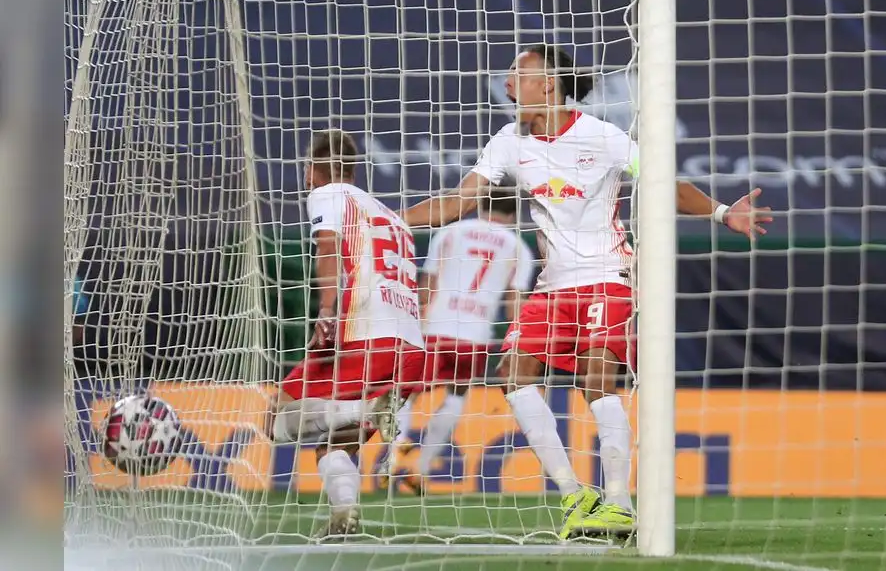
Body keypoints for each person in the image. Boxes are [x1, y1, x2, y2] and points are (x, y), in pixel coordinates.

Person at [402, 44, 772, 539]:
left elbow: (665, 184)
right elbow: (459, 200)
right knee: (512, 374)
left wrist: (723, 212)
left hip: (605, 276)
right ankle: (577, 495)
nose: (508, 83)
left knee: (597, 378)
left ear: (548, 84)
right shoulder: (509, 141)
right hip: (553, 287)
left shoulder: (604, 138)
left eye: (519, 74)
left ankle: (618, 501)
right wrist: (393, 218)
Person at [265, 128, 426, 538]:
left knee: (273, 418)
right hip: (409, 345)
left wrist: (326, 309)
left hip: (364, 333)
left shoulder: (327, 194)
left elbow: (329, 248)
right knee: (335, 445)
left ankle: (365, 410)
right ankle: (345, 516)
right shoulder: (390, 215)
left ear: (310, 170)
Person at [381, 187, 535, 493]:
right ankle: (421, 468)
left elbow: (427, 283)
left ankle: (395, 449)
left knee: (405, 391)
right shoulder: (519, 248)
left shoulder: (452, 232)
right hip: (475, 335)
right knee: (456, 395)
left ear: (480, 207)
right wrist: (517, 341)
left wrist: (414, 323)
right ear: (513, 214)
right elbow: (514, 302)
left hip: (435, 327)